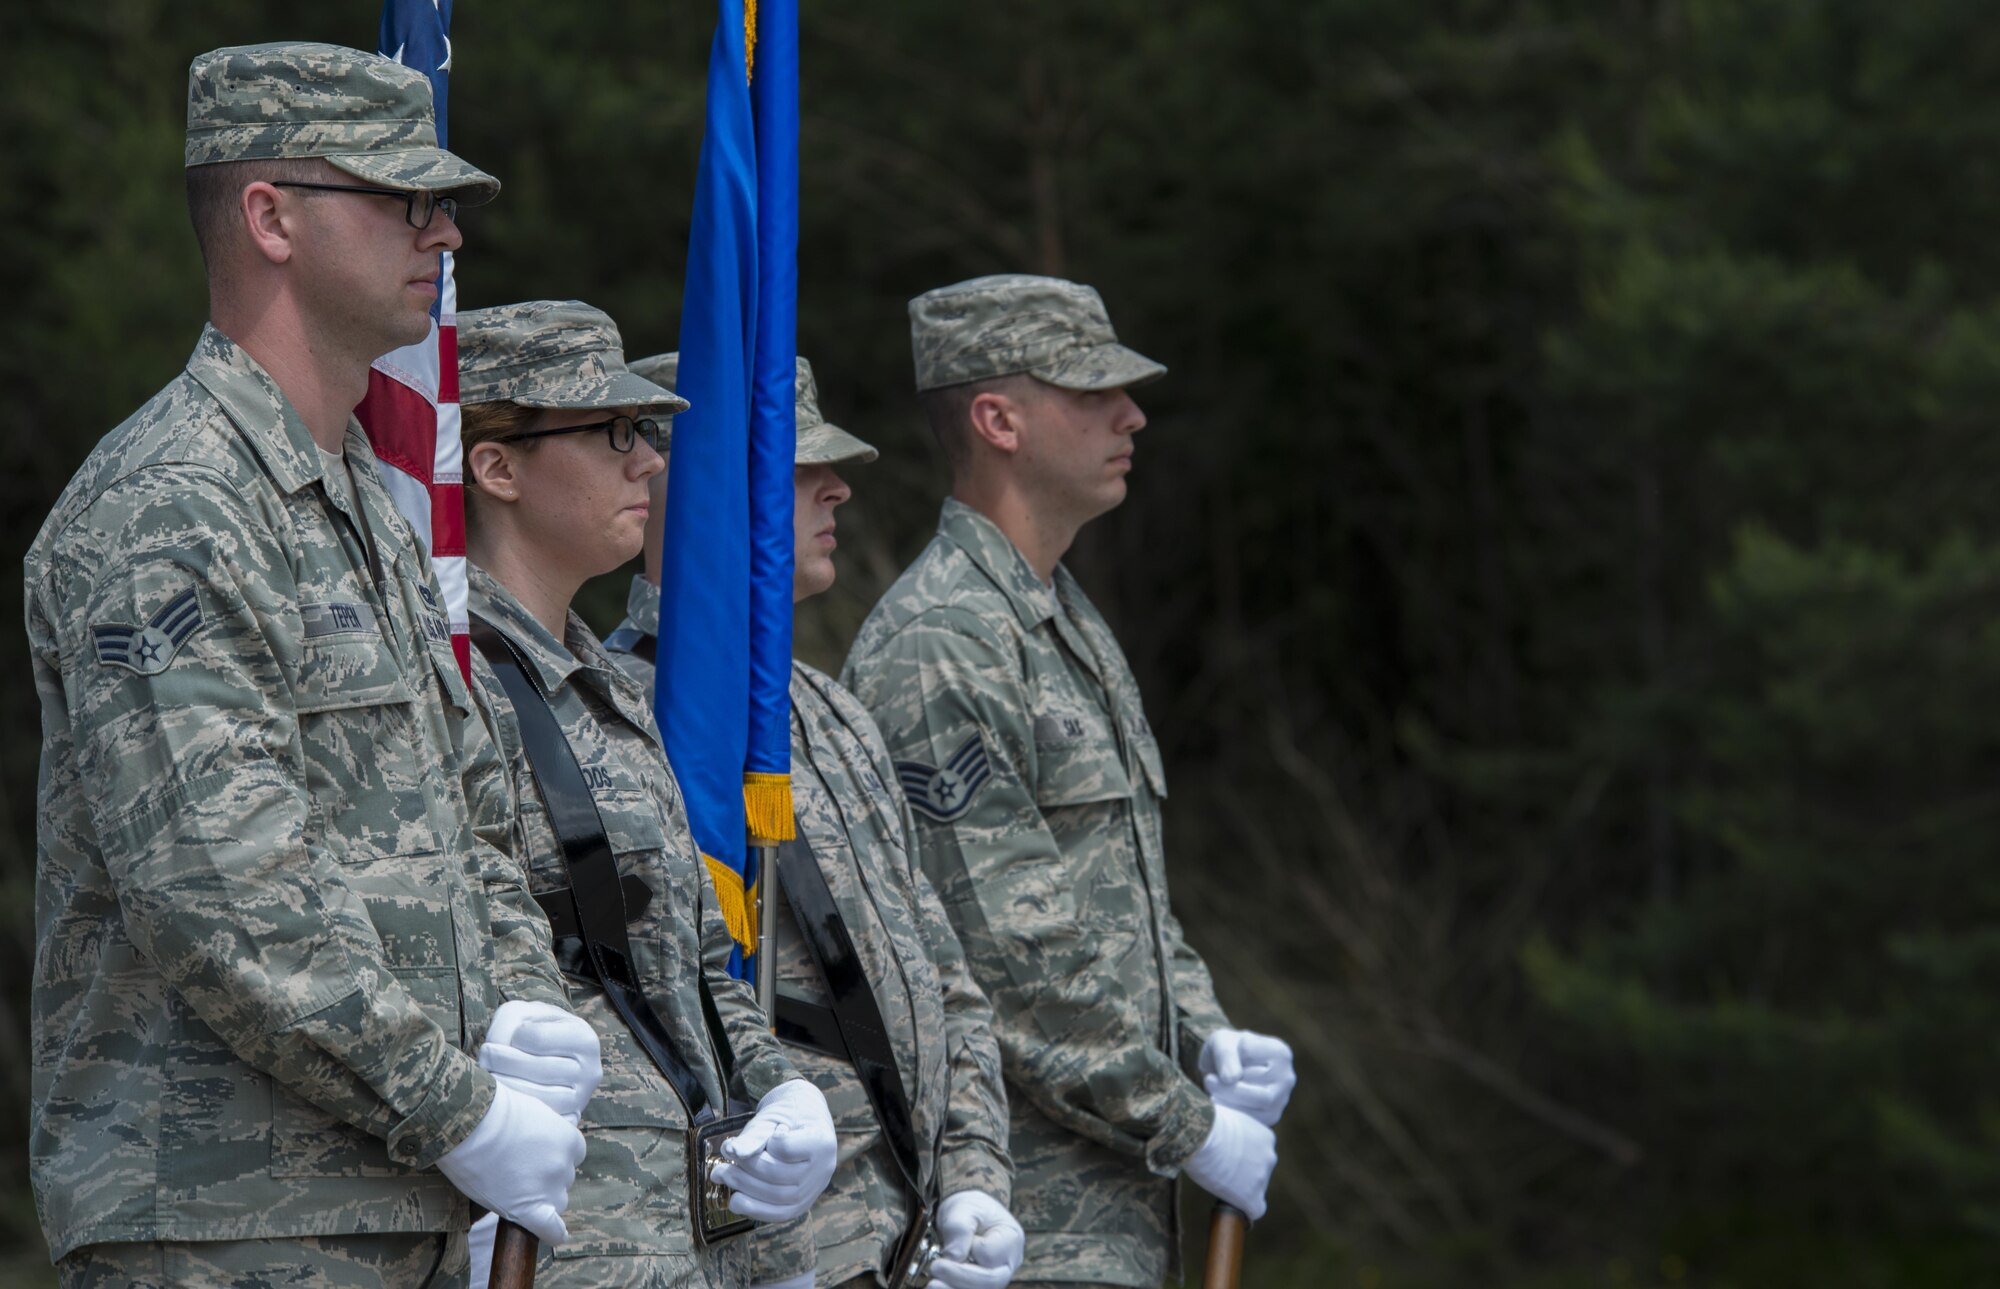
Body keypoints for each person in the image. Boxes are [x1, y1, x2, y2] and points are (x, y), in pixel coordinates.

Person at [26, 43, 591, 1288]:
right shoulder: (172, 506)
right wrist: (464, 1110)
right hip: (224, 1221)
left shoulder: (356, 508)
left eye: (441, 204)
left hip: (395, 1207)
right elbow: (223, 894)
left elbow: (469, 820)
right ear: (270, 216)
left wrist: (524, 1020)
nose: (442, 234)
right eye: (401, 199)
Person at [840, 275, 1297, 1289]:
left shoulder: (1064, 624)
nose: (1129, 414)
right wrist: (1186, 1123)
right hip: (1014, 1222)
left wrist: (1210, 1034)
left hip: (1111, 1212)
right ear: (997, 418)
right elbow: (1007, 957)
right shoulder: (942, 642)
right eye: (1091, 392)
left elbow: (1124, 896)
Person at [607, 356, 1026, 1289]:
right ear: (710, 485)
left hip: (902, 1238)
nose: (836, 486)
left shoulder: (834, 717)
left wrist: (974, 1179)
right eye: (797, 469)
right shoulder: (624, 723)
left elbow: (940, 979)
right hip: (766, 1250)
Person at [456, 301, 841, 1287]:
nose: (652, 462)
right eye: (611, 432)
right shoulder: (443, 685)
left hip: (678, 1237)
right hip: (551, 1233)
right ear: (495, 467)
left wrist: (777, 1087)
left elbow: (704, 957)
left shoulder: (623, 697)